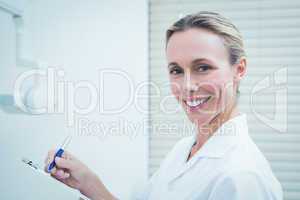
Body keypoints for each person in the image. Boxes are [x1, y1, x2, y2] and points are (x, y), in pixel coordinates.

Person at [45, 11, 283, 200]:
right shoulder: (184, 150)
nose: (187, 86)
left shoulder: (243, 177)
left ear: (239, 69)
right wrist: (90, 184)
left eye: (203, 67)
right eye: (176, 70)